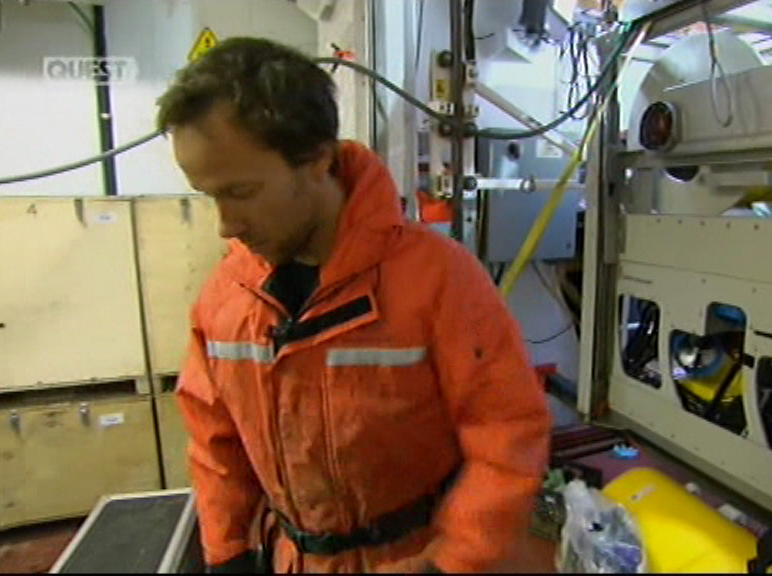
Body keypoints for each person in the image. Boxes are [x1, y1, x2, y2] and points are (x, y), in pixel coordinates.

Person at [156, 37, 552, 573]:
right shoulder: (225, 297)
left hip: (418, 560)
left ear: (317, 158)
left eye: (242, 192)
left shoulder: (440, 281)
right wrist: (227, 551)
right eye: (211, 196)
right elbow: (214, 444)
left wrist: (448, 563)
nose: (225, 225)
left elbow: (507, 438)